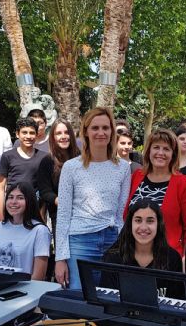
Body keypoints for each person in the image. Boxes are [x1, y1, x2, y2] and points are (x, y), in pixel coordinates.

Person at [55, 108, 131, 289]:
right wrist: (60, 258)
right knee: (79, 298)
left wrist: (122, 249)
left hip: (112, 242)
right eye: (95, 128)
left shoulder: (123, 168)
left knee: (110, 298)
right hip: (80, 242)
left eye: (106, 127)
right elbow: (63, 215)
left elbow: (121, 214)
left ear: (112, 131)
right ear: (86, 132)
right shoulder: (71, 167)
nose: (101, 132)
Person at [125, 129, 186, 256]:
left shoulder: (182, 183)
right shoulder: (136, 176)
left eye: (166, 149)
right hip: (131, 254)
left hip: (167, 257)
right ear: (149, 151)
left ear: (173, 154)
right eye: (156, 147)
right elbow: (125, 215)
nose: (160, 153)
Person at [101, 200, 183, 297]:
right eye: (138, 220)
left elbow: (178, 303)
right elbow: (108, 303)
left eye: (150, 221)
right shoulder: (113, 258)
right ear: (130, 224)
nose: (143, 227)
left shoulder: (172, 258)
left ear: (159, 224)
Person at [36, 118, 80, 278]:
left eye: (66, 132)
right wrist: (60, 201)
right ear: (53, 137)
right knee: (63, 257)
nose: (63, 136)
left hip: (81, 215)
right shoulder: (47, 161)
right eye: (58, 133)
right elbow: (44, 191)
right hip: (59, 216)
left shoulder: (81, 158)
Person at [0, 182, 51, 279]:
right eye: (10, 197)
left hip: (23, 291)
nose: (13, 202)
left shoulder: (40, 231)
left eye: (20, 198)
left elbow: (38, 277)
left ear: (30, 201)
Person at [0, 118, 49, 221]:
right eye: (24, 132)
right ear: (17, 134)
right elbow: (1, 188)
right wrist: (0, 217)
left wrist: (42, 219)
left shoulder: (44, 157)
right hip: (12, 208)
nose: (28, 136)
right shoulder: (8, 156)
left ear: (37, 135)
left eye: (32, 133)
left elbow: (44, 190)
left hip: (34, 210)